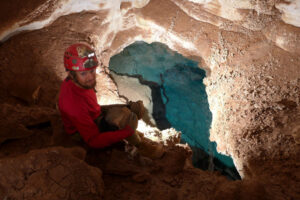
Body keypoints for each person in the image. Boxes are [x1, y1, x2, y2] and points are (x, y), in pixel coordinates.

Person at [58, 43, 164, 159]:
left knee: (135, 108)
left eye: (92, 71)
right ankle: (141, 146)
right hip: (82, 133)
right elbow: (94, 141)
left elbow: (89, 105)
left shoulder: (77, 82)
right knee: (127, 119)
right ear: (71, 74)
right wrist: (126, 132)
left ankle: (131, 132)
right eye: (83, 73)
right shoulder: (74, 107)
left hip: (93, 113)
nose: (90, 77)